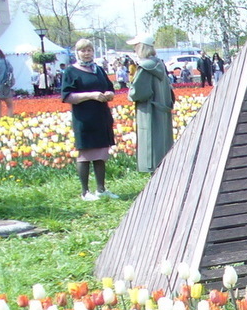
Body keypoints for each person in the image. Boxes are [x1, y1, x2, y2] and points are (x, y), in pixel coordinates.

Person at [62, 39, 117, 201]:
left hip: (101, 116)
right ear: (77, 53)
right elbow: (67, 96)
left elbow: (109, 88)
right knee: (85, 155)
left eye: (89, 50)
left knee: (100, 153)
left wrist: (109, 95)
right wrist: (91, 95)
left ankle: (101, 189)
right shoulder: (71, 72)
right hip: (84, 118)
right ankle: (85, 192)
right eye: (83, 51)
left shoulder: (98, 70)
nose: (86, 53)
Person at [127, 33, 175, 173]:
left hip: (149, 111)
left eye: (136, 46)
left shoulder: (144, 67)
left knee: (151, 145)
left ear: (141, 47)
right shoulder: (159, 63)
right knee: (162, 144)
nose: (134, 50)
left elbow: (138, 93)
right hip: (162, 109)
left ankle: (154, 173)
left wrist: (130, 92)